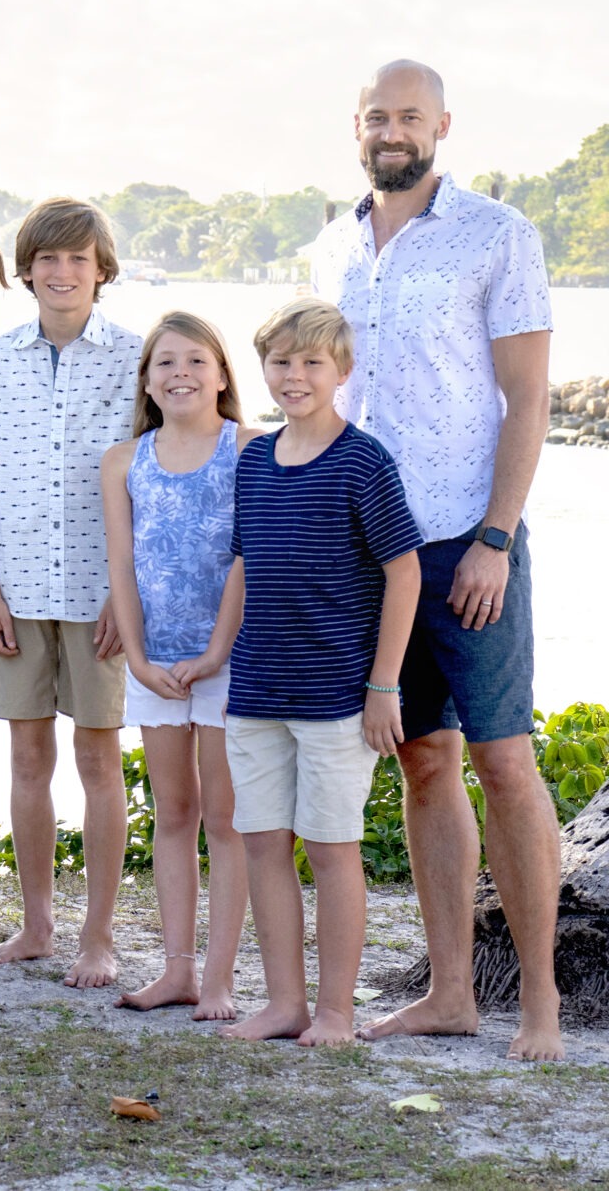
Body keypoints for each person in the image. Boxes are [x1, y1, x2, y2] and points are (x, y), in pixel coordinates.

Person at [319, 64, 562, 1062]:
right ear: (357, 129)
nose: (391, 130)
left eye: (408, 116)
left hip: (468, 537)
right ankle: (451, 992)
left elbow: (529, 397)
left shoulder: (496, 235)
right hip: (375, 547)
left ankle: (540, 1004)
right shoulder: (331, 243)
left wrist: (498, 537)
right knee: (423, 762)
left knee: (505, 760)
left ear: (441, 127)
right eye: (376, 116)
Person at [201, 299, 422, 1048]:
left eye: (311, 363)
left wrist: (383, 684)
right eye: (281, 361)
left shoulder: (364, 460)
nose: (294, 376)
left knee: (331, 850)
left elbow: (405, 573)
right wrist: (214, 657)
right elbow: (242, 565)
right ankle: (285, 1002)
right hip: (256, 689)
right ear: (262, 368)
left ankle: (335, 1012)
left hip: (336, 698)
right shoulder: (254, 461)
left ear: (342, 372)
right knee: (263, 842)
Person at [0, 198, 140, 984]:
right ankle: (35, 925)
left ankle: (97, 935)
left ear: (102, 270)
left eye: (78, 259)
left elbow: (153, 481)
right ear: (25, 269)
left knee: (99, 760)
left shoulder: (136, 360)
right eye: (48, 259)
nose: (63, 273)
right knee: (27, 757)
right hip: (19, 592)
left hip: (103, 594)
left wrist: (127, 596)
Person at [104, 312, 249, 1019]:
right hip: (154, 662)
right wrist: (136, 655)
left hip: (227, 659)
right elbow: (122, 568)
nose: (181, 372)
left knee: (224, 817)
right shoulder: (123, 461)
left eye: (197, 359)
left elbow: (248, 559)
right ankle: (177, 968)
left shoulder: (249, 448)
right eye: (165, 362)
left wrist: (216, 650)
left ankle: (219, 978)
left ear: (222, 374)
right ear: (148, 380)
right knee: (174, 813)